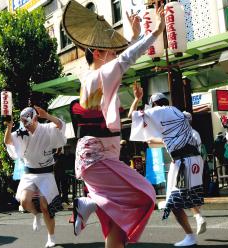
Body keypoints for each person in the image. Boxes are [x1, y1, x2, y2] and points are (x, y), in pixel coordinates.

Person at [62, 2, 165, 247]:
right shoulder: (97, 76)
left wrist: (135, 35)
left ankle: (94, 202)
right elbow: (125, 60)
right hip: (97, 158)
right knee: (145, 195)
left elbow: (119, 59)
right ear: (97, 53)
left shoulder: (96, 77)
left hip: (101, 157)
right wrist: (155, 33)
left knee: (117, 224)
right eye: (110, 51)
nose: (115, 55)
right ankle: (91, 202)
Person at [128, 84, 205, 247]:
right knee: (187, 195)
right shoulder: (177, 112)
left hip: (183, 162)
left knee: (174, 203)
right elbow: (165, 139)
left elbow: (131, 116)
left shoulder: (157, 112)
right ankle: (198, 218)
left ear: (154, 104)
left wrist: (137, 99)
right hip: (192, 159)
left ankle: (190, 236)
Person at [4, 106, 67, 247]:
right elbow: (8, 141)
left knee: (46, 206)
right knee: (24, 202)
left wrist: (48, 116)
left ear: (35, 118)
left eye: (28, 121)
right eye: (23, 122)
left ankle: (51, 237)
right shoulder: (21, 132)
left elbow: (60, 125)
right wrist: (9, 127)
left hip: (46, 173)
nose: (26, 125)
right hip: (29, 173)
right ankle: (35, 214)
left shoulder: (46, 128)